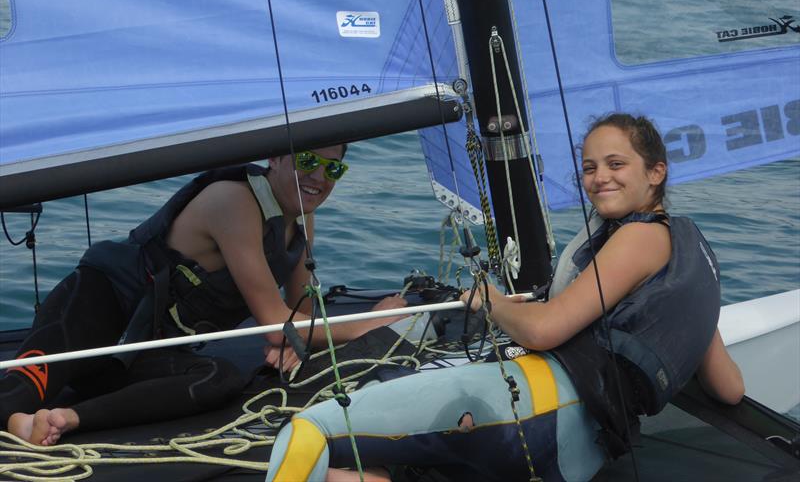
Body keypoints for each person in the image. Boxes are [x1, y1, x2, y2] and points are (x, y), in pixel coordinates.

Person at [265, 114, 745, 482]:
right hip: (583, 453)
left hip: (538, 420)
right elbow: (729, 389)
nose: (600, 178)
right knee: (372, 455)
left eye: (617, 165)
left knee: (309, 433)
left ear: (656, 172)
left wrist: (489, 301)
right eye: (589, 167)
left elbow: (544, 330)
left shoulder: (639, 238)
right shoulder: (688, 260)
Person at [0, 145, 407, 447]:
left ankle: (63, 419)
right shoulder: (234, 201)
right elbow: (276, 324)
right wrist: (375, 320)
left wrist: (298, 345)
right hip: (94, 311)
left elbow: (299, 310)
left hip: (141, 348)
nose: (319, 176)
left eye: (332, 167)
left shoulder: (301, 218)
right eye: (306, 161)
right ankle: (18, 415)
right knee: (17, 393)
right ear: (276, 159)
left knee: (218, 378)